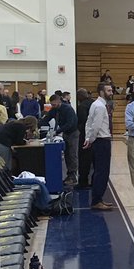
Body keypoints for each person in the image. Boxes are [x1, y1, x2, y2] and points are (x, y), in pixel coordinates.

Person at [84, 82, 114, 211]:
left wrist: (88, 138)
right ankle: (97, 201)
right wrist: (90, 139)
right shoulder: (101, 107)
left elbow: (88, 122)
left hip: (98, 141)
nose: (111, 93)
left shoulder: (95, 104)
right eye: (109, 90)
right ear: (101, 92)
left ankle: (98, 199)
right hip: (101, 141)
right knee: (102, 172)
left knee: (99, 171)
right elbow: (95, 126)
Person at [47, 92, 79, 187]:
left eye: (54, 104)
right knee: (67, 154)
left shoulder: (68, 109)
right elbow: (47, 118)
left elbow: (70, 123)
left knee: (72, 155)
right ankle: (69, 175)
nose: (53, 106)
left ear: (58, 101)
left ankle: (73, 177)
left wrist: (57, 131)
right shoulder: (54, 110)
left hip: (73, 133)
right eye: (51, 104)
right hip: (65, 133)